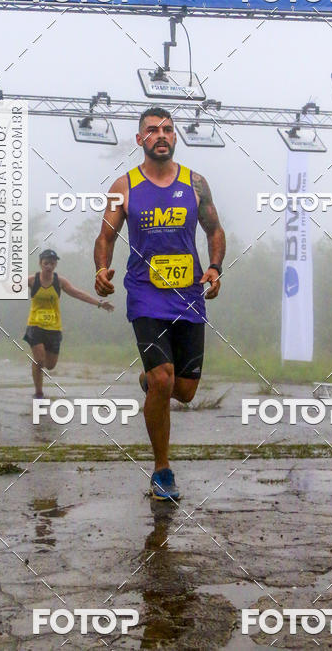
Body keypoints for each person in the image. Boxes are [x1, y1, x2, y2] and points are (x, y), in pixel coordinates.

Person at [94, 107, 226, 501]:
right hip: (145, 293)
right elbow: (105, 236)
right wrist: (101, 269)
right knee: (164, 378)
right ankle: (162, 471)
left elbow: (214, 230)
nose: (161, 135)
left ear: (175, 137)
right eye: (152, 130)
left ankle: (149, 382)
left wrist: (215, 267)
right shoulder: (125, 185)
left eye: (167, 129)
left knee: (184, 391)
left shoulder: (196, 183)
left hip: (188, 295)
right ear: (140, 140)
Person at [24, 249, 113, 399]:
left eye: (52, 263)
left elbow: (77, 293)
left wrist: (99, 303)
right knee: (39, 360)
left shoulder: (59, 281)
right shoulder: (32, 280)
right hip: (35, 325)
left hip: (54, 328)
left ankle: (39, 370)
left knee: (50, 365)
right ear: (40, 263)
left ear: (55, 264)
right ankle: (38, 392)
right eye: (46, 263)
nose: (49, 266)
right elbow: (10, 285)